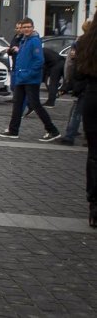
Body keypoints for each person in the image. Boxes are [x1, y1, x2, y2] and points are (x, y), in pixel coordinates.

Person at [0, 18, 61, 142]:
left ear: (32, 27)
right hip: (22, 78)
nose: (26, 29)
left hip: (30, 79)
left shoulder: (34, 41)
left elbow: (39, 61)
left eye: (28, 27)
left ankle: (52, 130)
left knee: (36, 105)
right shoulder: (24, 40)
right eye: (24, 27)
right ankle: (13, 130)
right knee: (17, 104)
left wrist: (28, 74)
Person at [71, 16, 97, 227]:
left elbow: (77, 73)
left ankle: (94, 206)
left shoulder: (85, 42)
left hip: (92, 98)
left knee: (94, 155)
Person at [59, 21, 90, 146]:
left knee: (78, 110)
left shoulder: (80, 43)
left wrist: (68, 81)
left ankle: (70, 135)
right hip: (88, 81)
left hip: (83, 80)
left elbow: (70, 64)